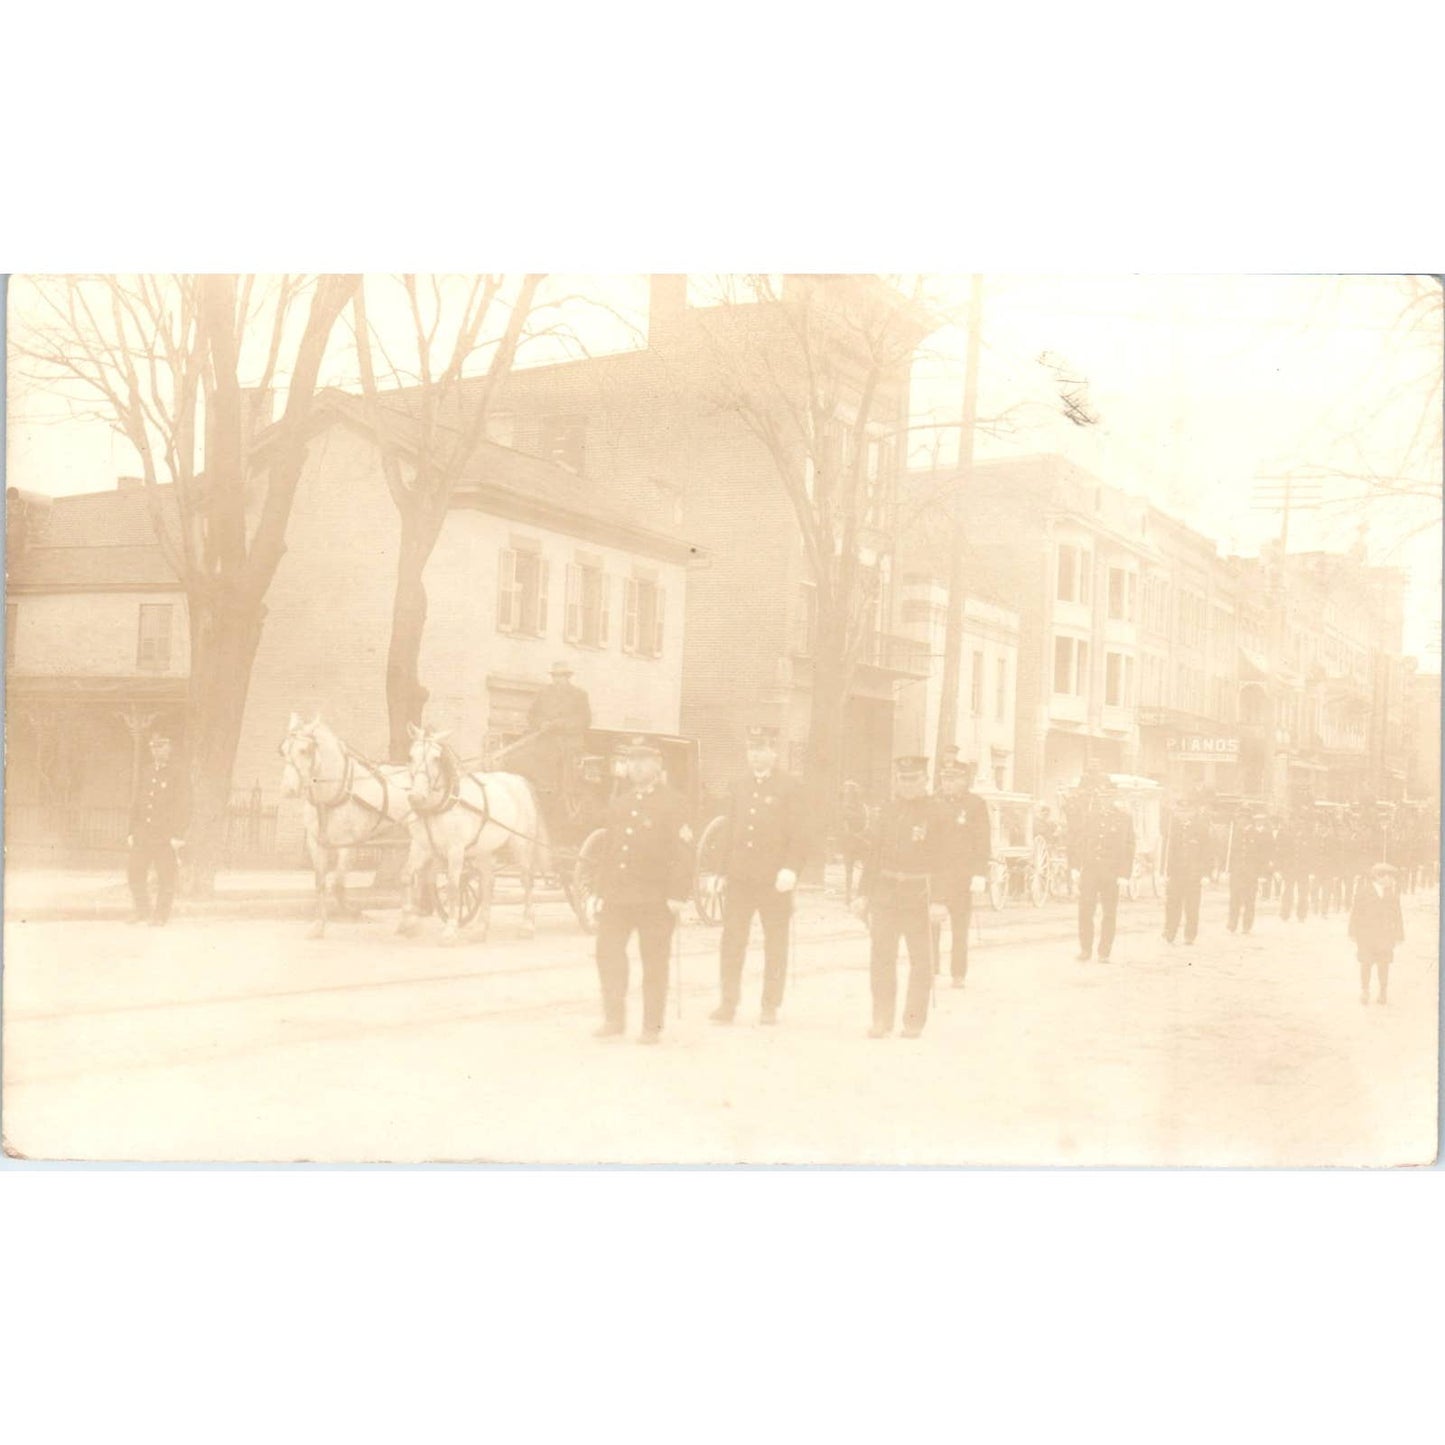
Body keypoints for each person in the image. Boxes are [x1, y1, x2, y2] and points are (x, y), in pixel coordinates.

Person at [591, 737, 693, 1044]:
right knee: (607, 954)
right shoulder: (620, 803)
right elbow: (609, 851)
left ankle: (651, 1026)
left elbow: (684, 853)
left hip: (655, 900)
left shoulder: (674, 803)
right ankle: (614, 1018)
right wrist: (598, 891)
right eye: (632, 760)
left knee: (654, 963)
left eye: (643, 760)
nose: (636, 766)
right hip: (618, 898)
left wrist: (677, 894)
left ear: (658, 765)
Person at [710, 725, 806, 1026]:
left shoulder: (790, 786)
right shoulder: (738, 785)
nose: (756, 756)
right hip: (740, 878)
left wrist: (791, 869)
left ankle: (770, 1004)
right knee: (732, 941)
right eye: (752, 749)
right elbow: (730, 830)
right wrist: (719, 871)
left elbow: (799, 834)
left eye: (762, 749)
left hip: (773, 880)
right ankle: (728, 1002)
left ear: (773, 752)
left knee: (775, 943)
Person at [852, 755, 946, 1039]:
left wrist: (939, 900)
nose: (906, 785)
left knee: (921, 961)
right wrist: (863, 894)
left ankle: (913, 1021)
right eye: (902, 779)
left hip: (920, 897)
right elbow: (874, 855)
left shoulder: (938, 813)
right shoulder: (888, 811)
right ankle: (881, 1018)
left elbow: (946, 861)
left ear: (925, 780)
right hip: (886, 896)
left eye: (912, 779)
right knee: (881, 958)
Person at [931, 760, 990, 987]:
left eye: (953, 779)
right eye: (945, 778)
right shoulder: (932, 802)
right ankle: (931, 969)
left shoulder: (975, 805)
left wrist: (979, 874)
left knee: (959, 928)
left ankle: (958, 974)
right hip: (935, 875)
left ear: (964, 781)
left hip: (961, 876)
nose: (948, 783)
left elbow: (982, 841)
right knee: (931, 925)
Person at [127, 730, 190, 926]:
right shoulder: (146, 771)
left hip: (165, 836)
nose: (157, 750)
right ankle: (142, 911)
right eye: (153, 746)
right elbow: (137, 802)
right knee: (134, 872)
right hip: (143, 834)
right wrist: (131, 831)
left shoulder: (178, 773)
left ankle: (161, 916)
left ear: (170, 747)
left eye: (161, 745)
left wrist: (178, 834)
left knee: (166, 878)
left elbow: (185, 804)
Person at [1074, 770, 1134, 963]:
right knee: (1085, 910)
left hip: (1111, 873)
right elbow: (1080, 841)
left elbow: (1128, 847)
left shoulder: (1124, 819)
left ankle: (1104, 952)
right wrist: (1076, 867)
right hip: (1090, 871)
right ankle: (1085, 949)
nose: (1104, 800)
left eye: (1108, 796)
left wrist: (1125, 874)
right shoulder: (1090, 816)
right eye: (1101, 796)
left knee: (1109, 913)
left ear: (1114, 798)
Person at [526, 661, 592, 807]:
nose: (557, 679)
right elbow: (532, 715)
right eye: (555, 676)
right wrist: (541, 723)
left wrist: (560, 724)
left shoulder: (579, 695)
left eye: (561, 676)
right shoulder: (543, 693)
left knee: (570, 775)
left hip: (569, 743)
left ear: (568, 677)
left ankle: (569, 798)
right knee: (534, 761)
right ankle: (541, 795)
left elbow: (584, 720)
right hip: (546, 742)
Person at [1349, 861, 1405, 1005]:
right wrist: (1352, 932)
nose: (1392, 881)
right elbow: (1355, 913)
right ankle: (1365, 990)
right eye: (1390, 877)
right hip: (1366, 936)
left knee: (1384, 965)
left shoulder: (1392, 894)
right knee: (1366, 964)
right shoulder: (1363, 892)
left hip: (1385, 936)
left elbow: (1398, 915)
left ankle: (1382, 991)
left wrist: (1399, 935)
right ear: (1380, 877)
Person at [1162, 796, 1211, 948]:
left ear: (1192, 812)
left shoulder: (1201, 829)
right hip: (1176, 874)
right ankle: (1170, 932)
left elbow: (1207, 853)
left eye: (1186, 812)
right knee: (1172, 905)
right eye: (1180, 811)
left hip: (1194, 875)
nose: (1182, 815)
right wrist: (1163, 873)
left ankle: (1190, 935)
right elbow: (1167, 852)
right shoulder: (1172, 829)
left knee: (1192, 907)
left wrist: (1205, 874)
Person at [1227, 808, 1272, 935]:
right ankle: (1232, 922)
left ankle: (1247, 925)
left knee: (1249, 900)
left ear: (1248, 820)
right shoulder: (1236, 833)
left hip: (1251, 874)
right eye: (1240, 819)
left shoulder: (1257, 835)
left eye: (1244, 819)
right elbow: (1232, 853)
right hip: (1237, 872)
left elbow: (1263, 856)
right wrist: (1230, 869)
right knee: (1234, 898)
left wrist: (1263, 874)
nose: (1241, 821)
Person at [840, 780, 870, 903]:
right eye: (846, 792)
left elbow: (867, 823)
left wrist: (861, 835)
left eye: (850, 792)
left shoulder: (864, 808)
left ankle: (862, 893)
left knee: (866, 868)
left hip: (862, 842)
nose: (847, 795)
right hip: (849, 843)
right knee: (848, 870)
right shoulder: (843, 808)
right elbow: (842, 825)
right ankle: (847, 895)